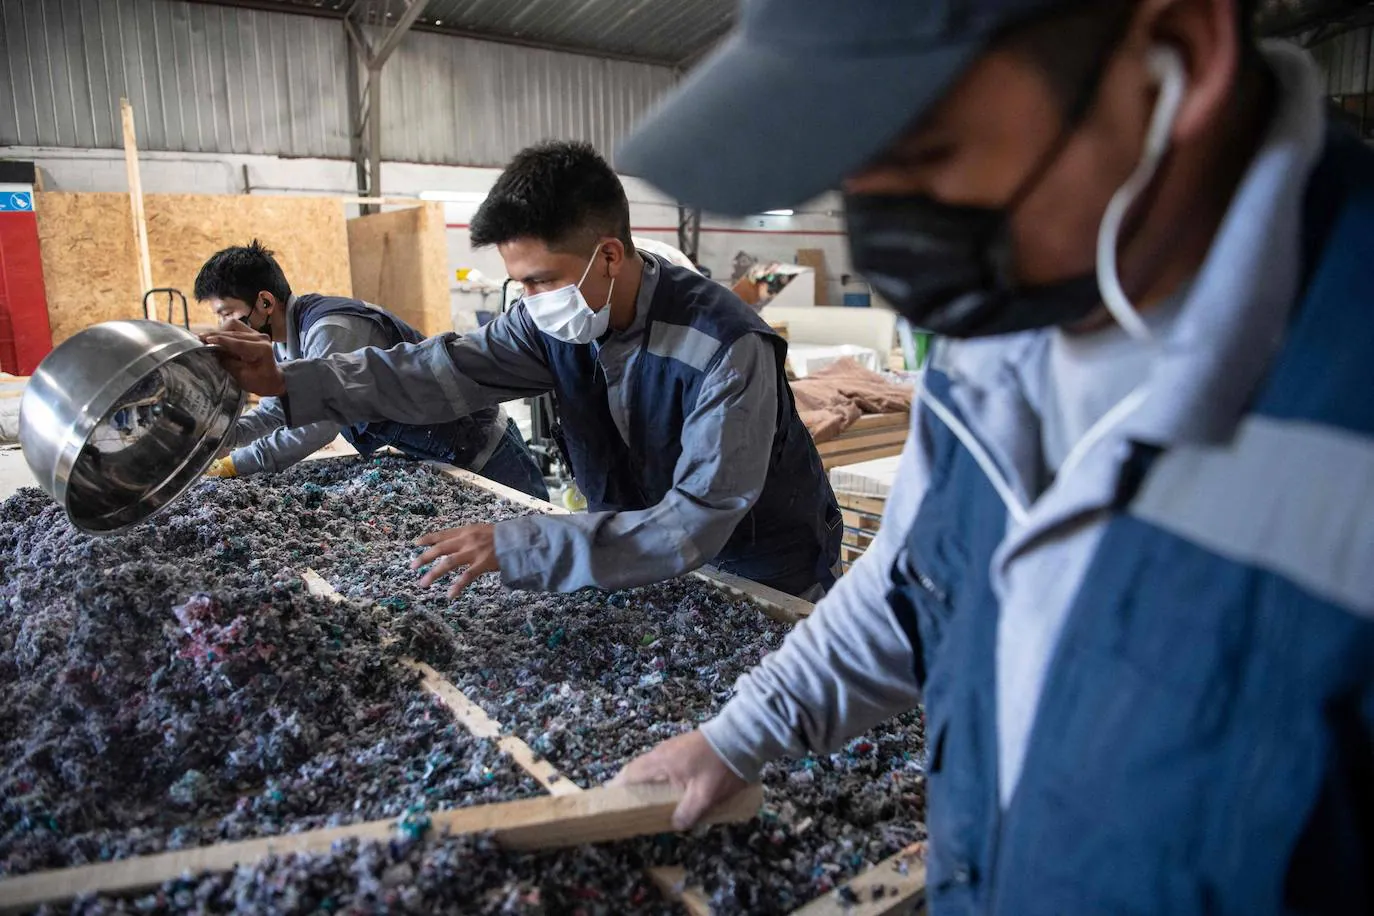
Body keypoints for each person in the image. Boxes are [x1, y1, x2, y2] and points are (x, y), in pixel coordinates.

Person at [611, 0, 1374, 912]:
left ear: (1179, 54)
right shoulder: (1009, 312)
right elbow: (915, 577)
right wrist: (738, 737)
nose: (889, 238)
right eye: (857, 172)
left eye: (929, 153)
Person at [205, 143, 842, 600]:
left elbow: (695, 521)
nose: (532, 300)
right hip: (635, 547)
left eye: (542, 280)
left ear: (609, 256)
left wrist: (523, 545)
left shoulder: (724, 346)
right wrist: (295, 381)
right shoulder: (548, 321)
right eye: (520, 284)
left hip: (762, 563)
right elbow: (436, 371)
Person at [194, 241, 548, 500]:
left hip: (484, 453)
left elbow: (318, 424)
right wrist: (223, 439)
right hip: (436, 455)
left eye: (227, 312)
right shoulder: (288, 342)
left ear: (265, 302)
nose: (226, 325)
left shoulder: (330, 329)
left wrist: (238, 464)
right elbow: (281, 405)